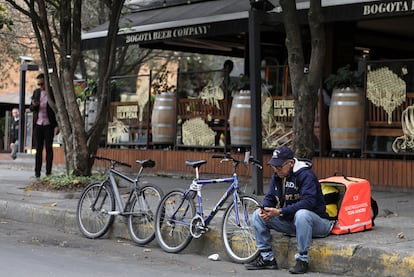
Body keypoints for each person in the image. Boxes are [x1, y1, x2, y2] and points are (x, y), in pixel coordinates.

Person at [245, 146, 332, 274]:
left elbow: (308, 203)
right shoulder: (278, 176)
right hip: (293, 223)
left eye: (279, 167)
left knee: (302, 215)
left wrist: (280, 212)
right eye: (274, 167)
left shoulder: (306, 175)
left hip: (318, 223)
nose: (276, 170)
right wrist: (265, 209)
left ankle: (303, 260)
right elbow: (270, 197)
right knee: (257, 215)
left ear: (290, 163)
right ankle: (267, 258)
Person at [29, 73, 58, 178]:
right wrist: (34, 105)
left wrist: (57, 125)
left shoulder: (52, 92)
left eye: (42, 84)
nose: (40, 86)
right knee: (38, 149)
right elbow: (31, 108)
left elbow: (57, 110)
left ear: (46, 82)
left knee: (49, 149)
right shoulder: (36, 93)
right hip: (38, 124)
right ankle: (37, 172)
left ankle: (48, 172)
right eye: (39, 84)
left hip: (49, 125)